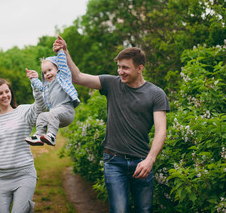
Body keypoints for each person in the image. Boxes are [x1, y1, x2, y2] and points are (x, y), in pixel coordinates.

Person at [53, 36, 170, 212]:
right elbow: (76, 77)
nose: (120, 71)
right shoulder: (112, 84)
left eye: (125, 68)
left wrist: (150, 160)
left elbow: (161, 131)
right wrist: (65, 52)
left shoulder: (156, 94)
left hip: (142, 162)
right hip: (114, 161)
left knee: (144, 210)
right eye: (118, 67)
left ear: (140, 68)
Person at [0, 75, 46, 213]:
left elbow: (41, 104)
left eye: (7, 91)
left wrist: (35, 83)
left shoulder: (23, 112)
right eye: (0, 93)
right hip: (0, 177)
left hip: (24, 174)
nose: (5, 95)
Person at [24, 49, 80, 146]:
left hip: (67, 111)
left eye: (50, 70)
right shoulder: (47, 87)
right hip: (55, 117)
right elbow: (39, 86)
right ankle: (39, 136)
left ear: (57, 69)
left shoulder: (63, 78)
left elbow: (63, 64)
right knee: (42, 116)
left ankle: (51, 136)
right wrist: (33, 79)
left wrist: (60, 51)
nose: (48, 74)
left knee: (52, 112)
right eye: (45, 73)